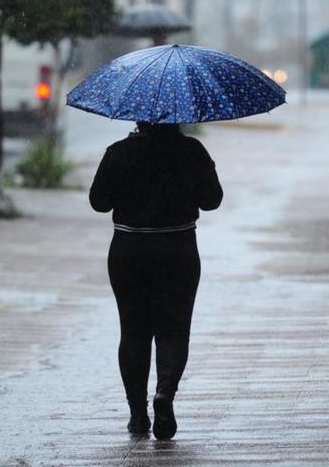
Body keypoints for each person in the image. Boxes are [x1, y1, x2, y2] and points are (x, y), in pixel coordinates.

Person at [89, 122, 223, 440]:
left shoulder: (119, 153)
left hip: (129, 250)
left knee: (134, 331)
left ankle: (137, 414)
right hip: (178, 248)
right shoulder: (191, 151)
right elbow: (212, 199)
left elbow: (98, 201)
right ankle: (164, 394)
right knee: (173, 330)